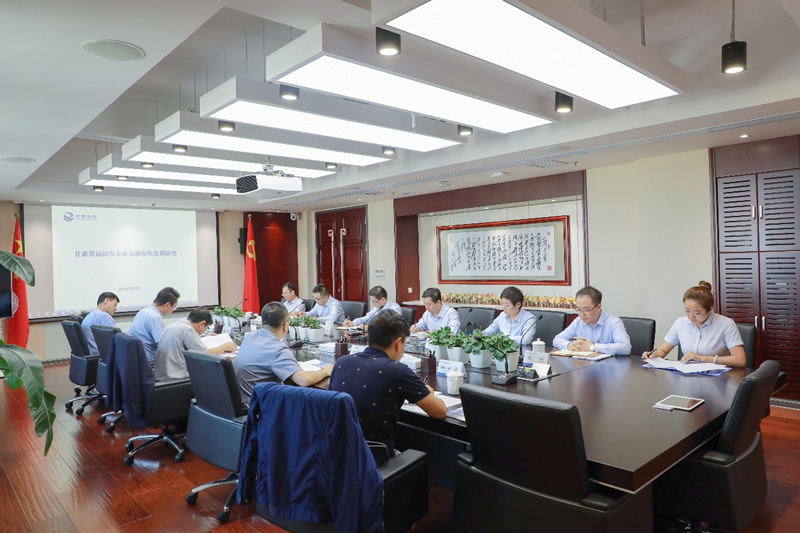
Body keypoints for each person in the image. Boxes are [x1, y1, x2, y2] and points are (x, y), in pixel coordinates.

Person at [330, 310, 446, 454]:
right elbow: (440, 411)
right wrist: (429, 393)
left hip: (337, 454)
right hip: (375, 459)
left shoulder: (341, 362)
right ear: (398, 343)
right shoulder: (398, 370)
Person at [234, 301, 333, 403]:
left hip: (244, 403)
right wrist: (325, 371)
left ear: (262, 323)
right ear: (286, 326)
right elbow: (305, 380)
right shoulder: (277, 348)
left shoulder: (250, 336)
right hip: (261, 408)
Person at [643, 281, 745, 368]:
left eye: (697, 313)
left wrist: (702, 358)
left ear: (710, 308)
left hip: (716, 377)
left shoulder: (726, 324)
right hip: (687, 375)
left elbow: (740, 360)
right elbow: (663, 350)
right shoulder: (680, 323)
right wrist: (653, 355)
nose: (691, 316)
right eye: (687, 311)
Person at [154, 307, 237, 381]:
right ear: (201, 324)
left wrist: (202, 337)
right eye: (206, 328)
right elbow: (206, 355)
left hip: (161, 376)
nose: (205, 330)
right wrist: (225, 346)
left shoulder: (172, 325)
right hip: (175, 378)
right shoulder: (188, 330)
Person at [553, 286, 631, 355]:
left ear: (598, 307)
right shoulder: (578, 322)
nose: (582, 314)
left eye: (586, 310)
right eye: (578, 309)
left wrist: (593, 347)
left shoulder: (613, 322)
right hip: (583, 364)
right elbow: (557, 339)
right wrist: (569, 345)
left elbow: (625, 348)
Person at [129, 286, 180, 364]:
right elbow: (162, 346)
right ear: (167, 305)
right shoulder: (155, 317)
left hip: (137, 358)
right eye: (174, 307)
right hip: (150, 362)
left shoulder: (143, 312)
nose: (173, 310)